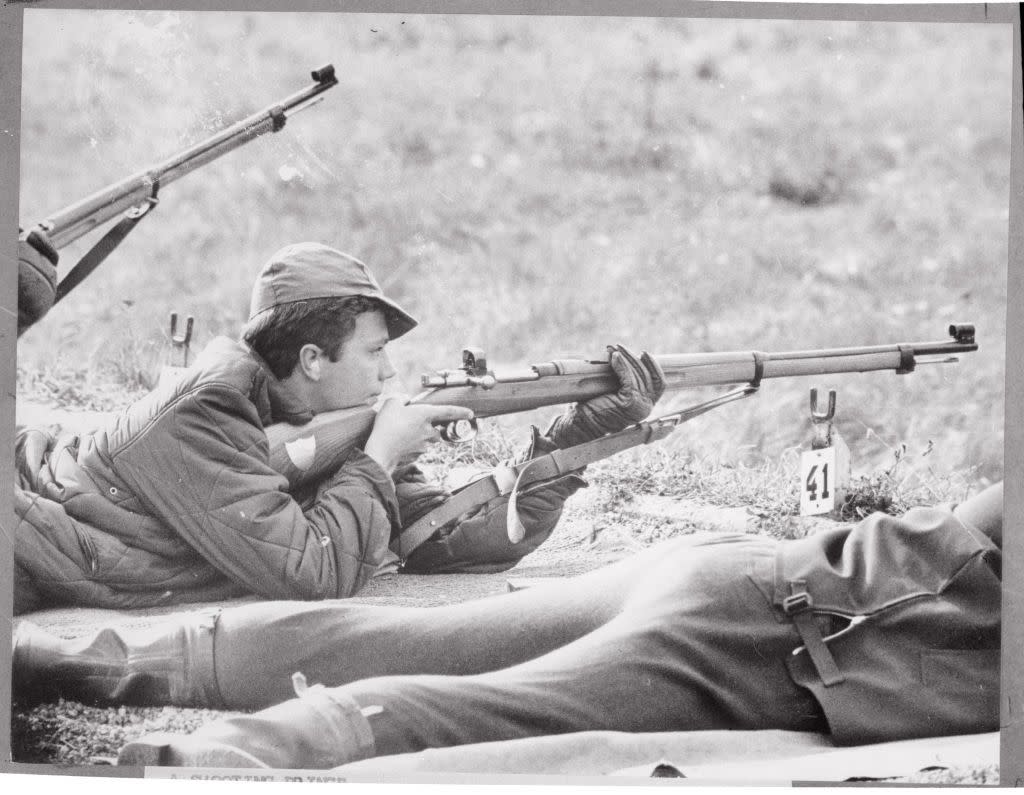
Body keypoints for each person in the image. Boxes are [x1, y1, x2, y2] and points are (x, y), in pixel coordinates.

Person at [12, 482, 1002, 769]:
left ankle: (69, 663)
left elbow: (965, 520)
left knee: (408, 640)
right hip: (792, 646)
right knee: (498, 707)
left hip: (761, 568)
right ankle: (215, 758)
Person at [12, 241, 664, 613]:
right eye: (375, 351)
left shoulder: (328, 419)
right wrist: (377, 458)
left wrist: (575, 441)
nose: (390, 370)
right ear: (313, 360)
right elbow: (311, 573)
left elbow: (431, 537)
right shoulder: (206, 410)